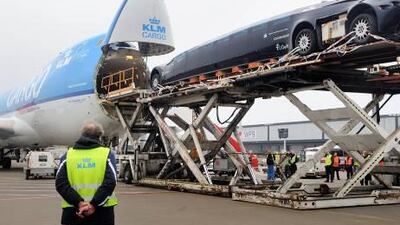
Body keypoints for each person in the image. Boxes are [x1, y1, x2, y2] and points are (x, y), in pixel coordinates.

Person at [56, 122, 118, 225]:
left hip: (73, 212)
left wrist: (79, 203)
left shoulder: (68, 156)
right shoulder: (106, 154)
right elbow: (110, 182)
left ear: (82, 134)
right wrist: (93, 205)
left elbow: (60, 184)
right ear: (99, 136)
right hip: (102, 212)